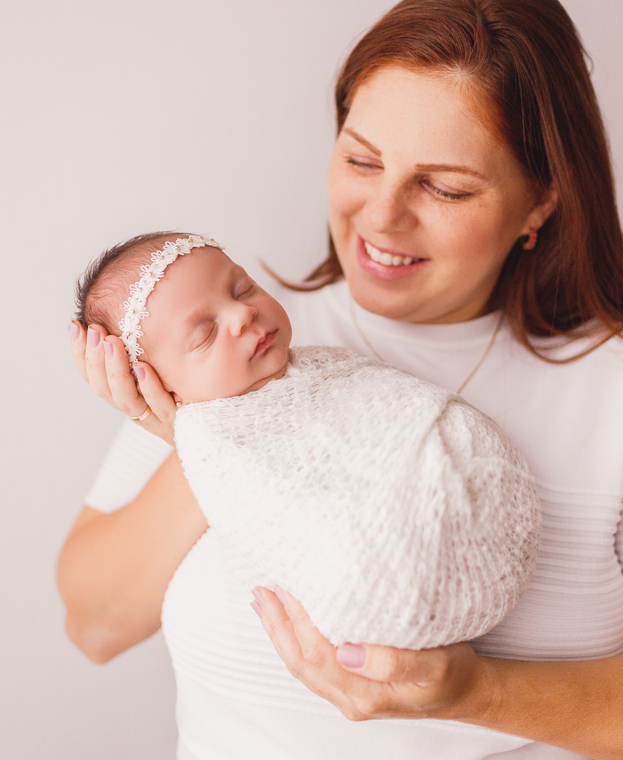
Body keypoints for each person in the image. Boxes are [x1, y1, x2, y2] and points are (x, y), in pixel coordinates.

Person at [57, 0, 623, 760]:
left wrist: (477, 694)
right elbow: (93, 625)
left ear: (539, 202)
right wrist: (207, 441)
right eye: (363, 161)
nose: (381, 218)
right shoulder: (226, 352)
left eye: (443, 187)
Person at [73, 230, 540, 650]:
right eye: (205, 332)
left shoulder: (322, 362)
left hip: (474, 499)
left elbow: (384, 407)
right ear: (158, 383)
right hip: (389, 577)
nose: (242, 313)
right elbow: (91, 627)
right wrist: (193, 442)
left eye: (243, 288)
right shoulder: (207, 446)